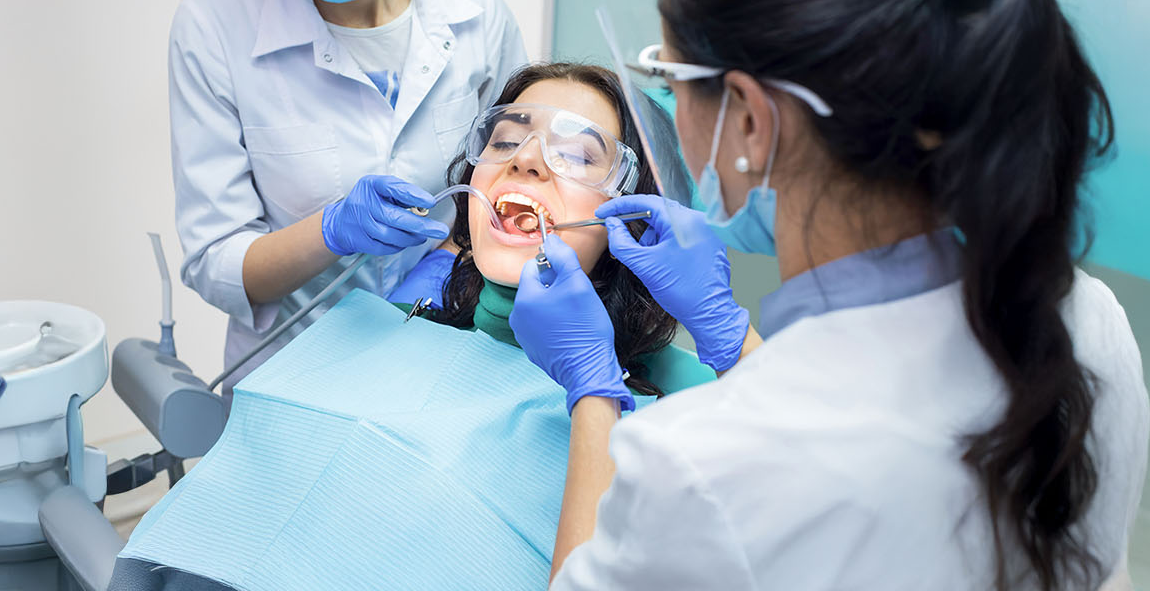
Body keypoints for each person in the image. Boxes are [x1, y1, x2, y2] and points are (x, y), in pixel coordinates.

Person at [511, 0, 1150, 589]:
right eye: (506, 139)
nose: (525, 161)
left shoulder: (695, 463)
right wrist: (728, 332)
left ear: (752, 124)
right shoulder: (1091, 321)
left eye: (670, 82)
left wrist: (593, 389)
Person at [111, 63, 711, 590]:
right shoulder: (392, 323)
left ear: (637, 218)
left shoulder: (677, 397)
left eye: (577, 155)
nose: (526, 158)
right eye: (504, 140)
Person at [168, 0, 526, 384]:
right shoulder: (215, 21)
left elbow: (511, 177)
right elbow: (216, 260)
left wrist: (441, 265)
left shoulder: (476, 8)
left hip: (445, 348)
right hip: (295, 370)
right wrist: (329, 231)